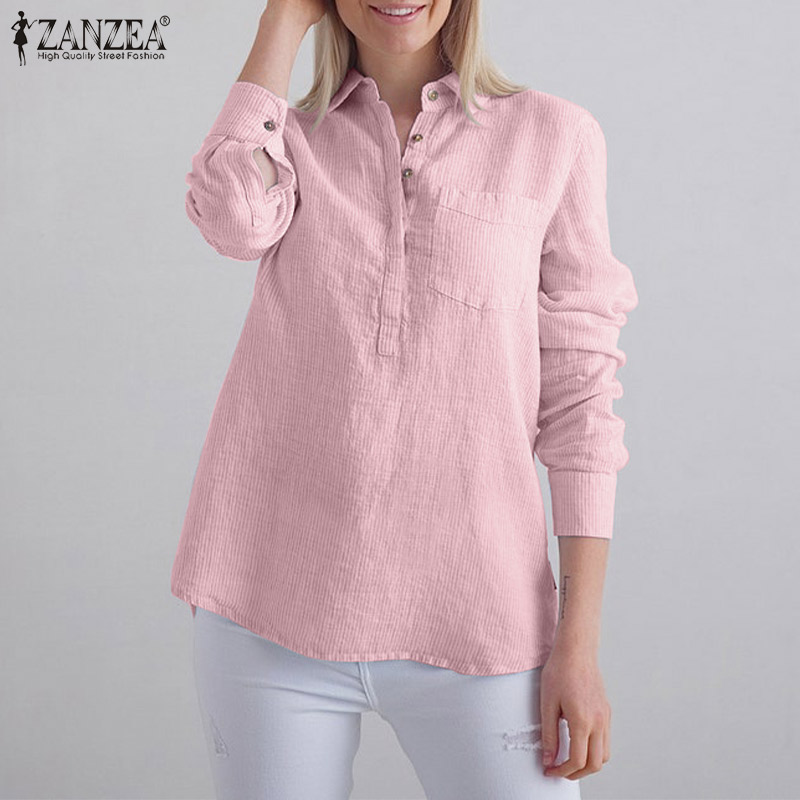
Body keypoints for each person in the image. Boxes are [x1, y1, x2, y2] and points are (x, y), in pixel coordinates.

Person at [170, 0, 639, 797]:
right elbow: (233, 219)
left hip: (481, 614)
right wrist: (281, 22)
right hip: (268, 602)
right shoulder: (290, 142)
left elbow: (581, 402)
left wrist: (578, 643)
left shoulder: (553, 138)